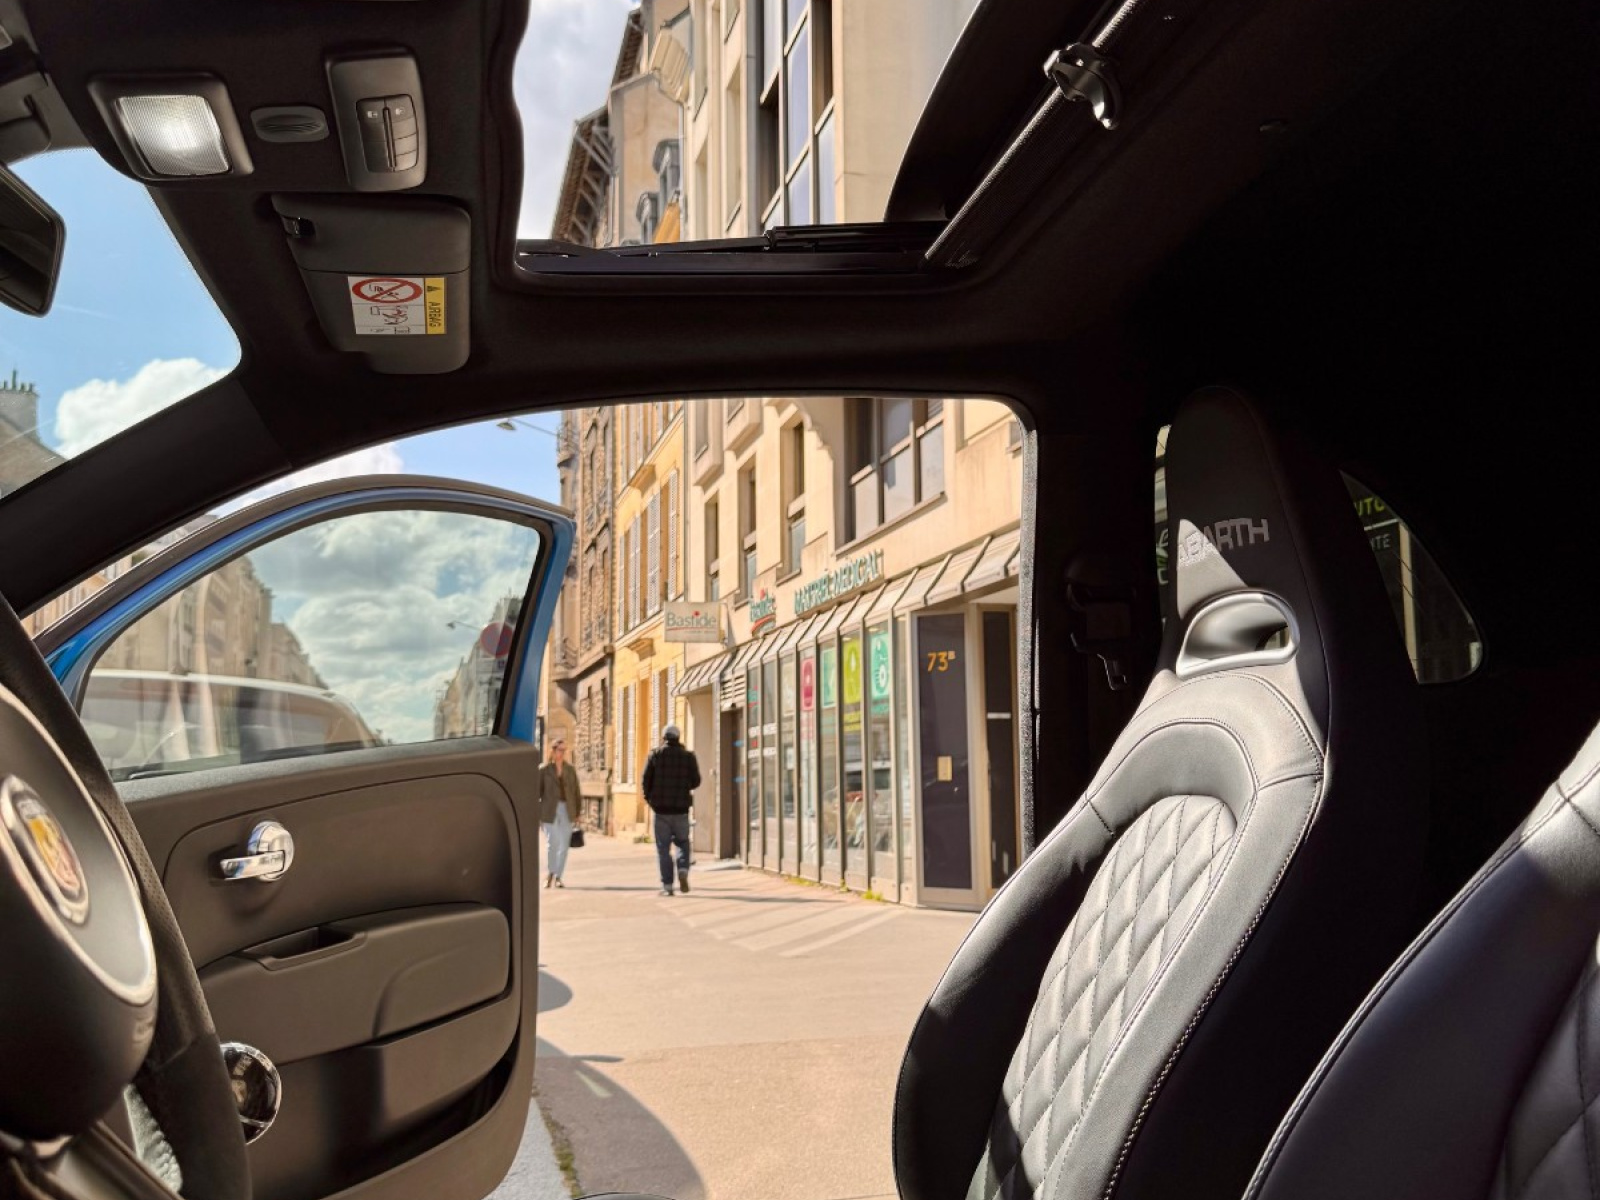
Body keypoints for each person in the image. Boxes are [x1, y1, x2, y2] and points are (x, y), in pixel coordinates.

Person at [642, 724, 700, 896]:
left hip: (661, 811)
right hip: (681, 810)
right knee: (683, 842)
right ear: (678, 737)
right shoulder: (688, 757)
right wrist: (684, 786)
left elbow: (645, 780)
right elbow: (696, 781)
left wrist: (650, 800)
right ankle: (683, 869)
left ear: (664, 737)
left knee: (663, 848)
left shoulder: (655, 755)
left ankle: (667, 885)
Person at [539, 737, 581, 888]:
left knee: (563, 845)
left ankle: (558, 876)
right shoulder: (544, 770)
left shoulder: (570, 770)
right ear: (553, 750)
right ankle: (551, 872)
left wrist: (578, 813)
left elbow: (576, 791)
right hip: (549, 810)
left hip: (567, 809)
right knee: (553, 842)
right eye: (560, 750)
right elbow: (537, 792)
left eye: (564, 750)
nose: (562, 753)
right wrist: (537, 814)